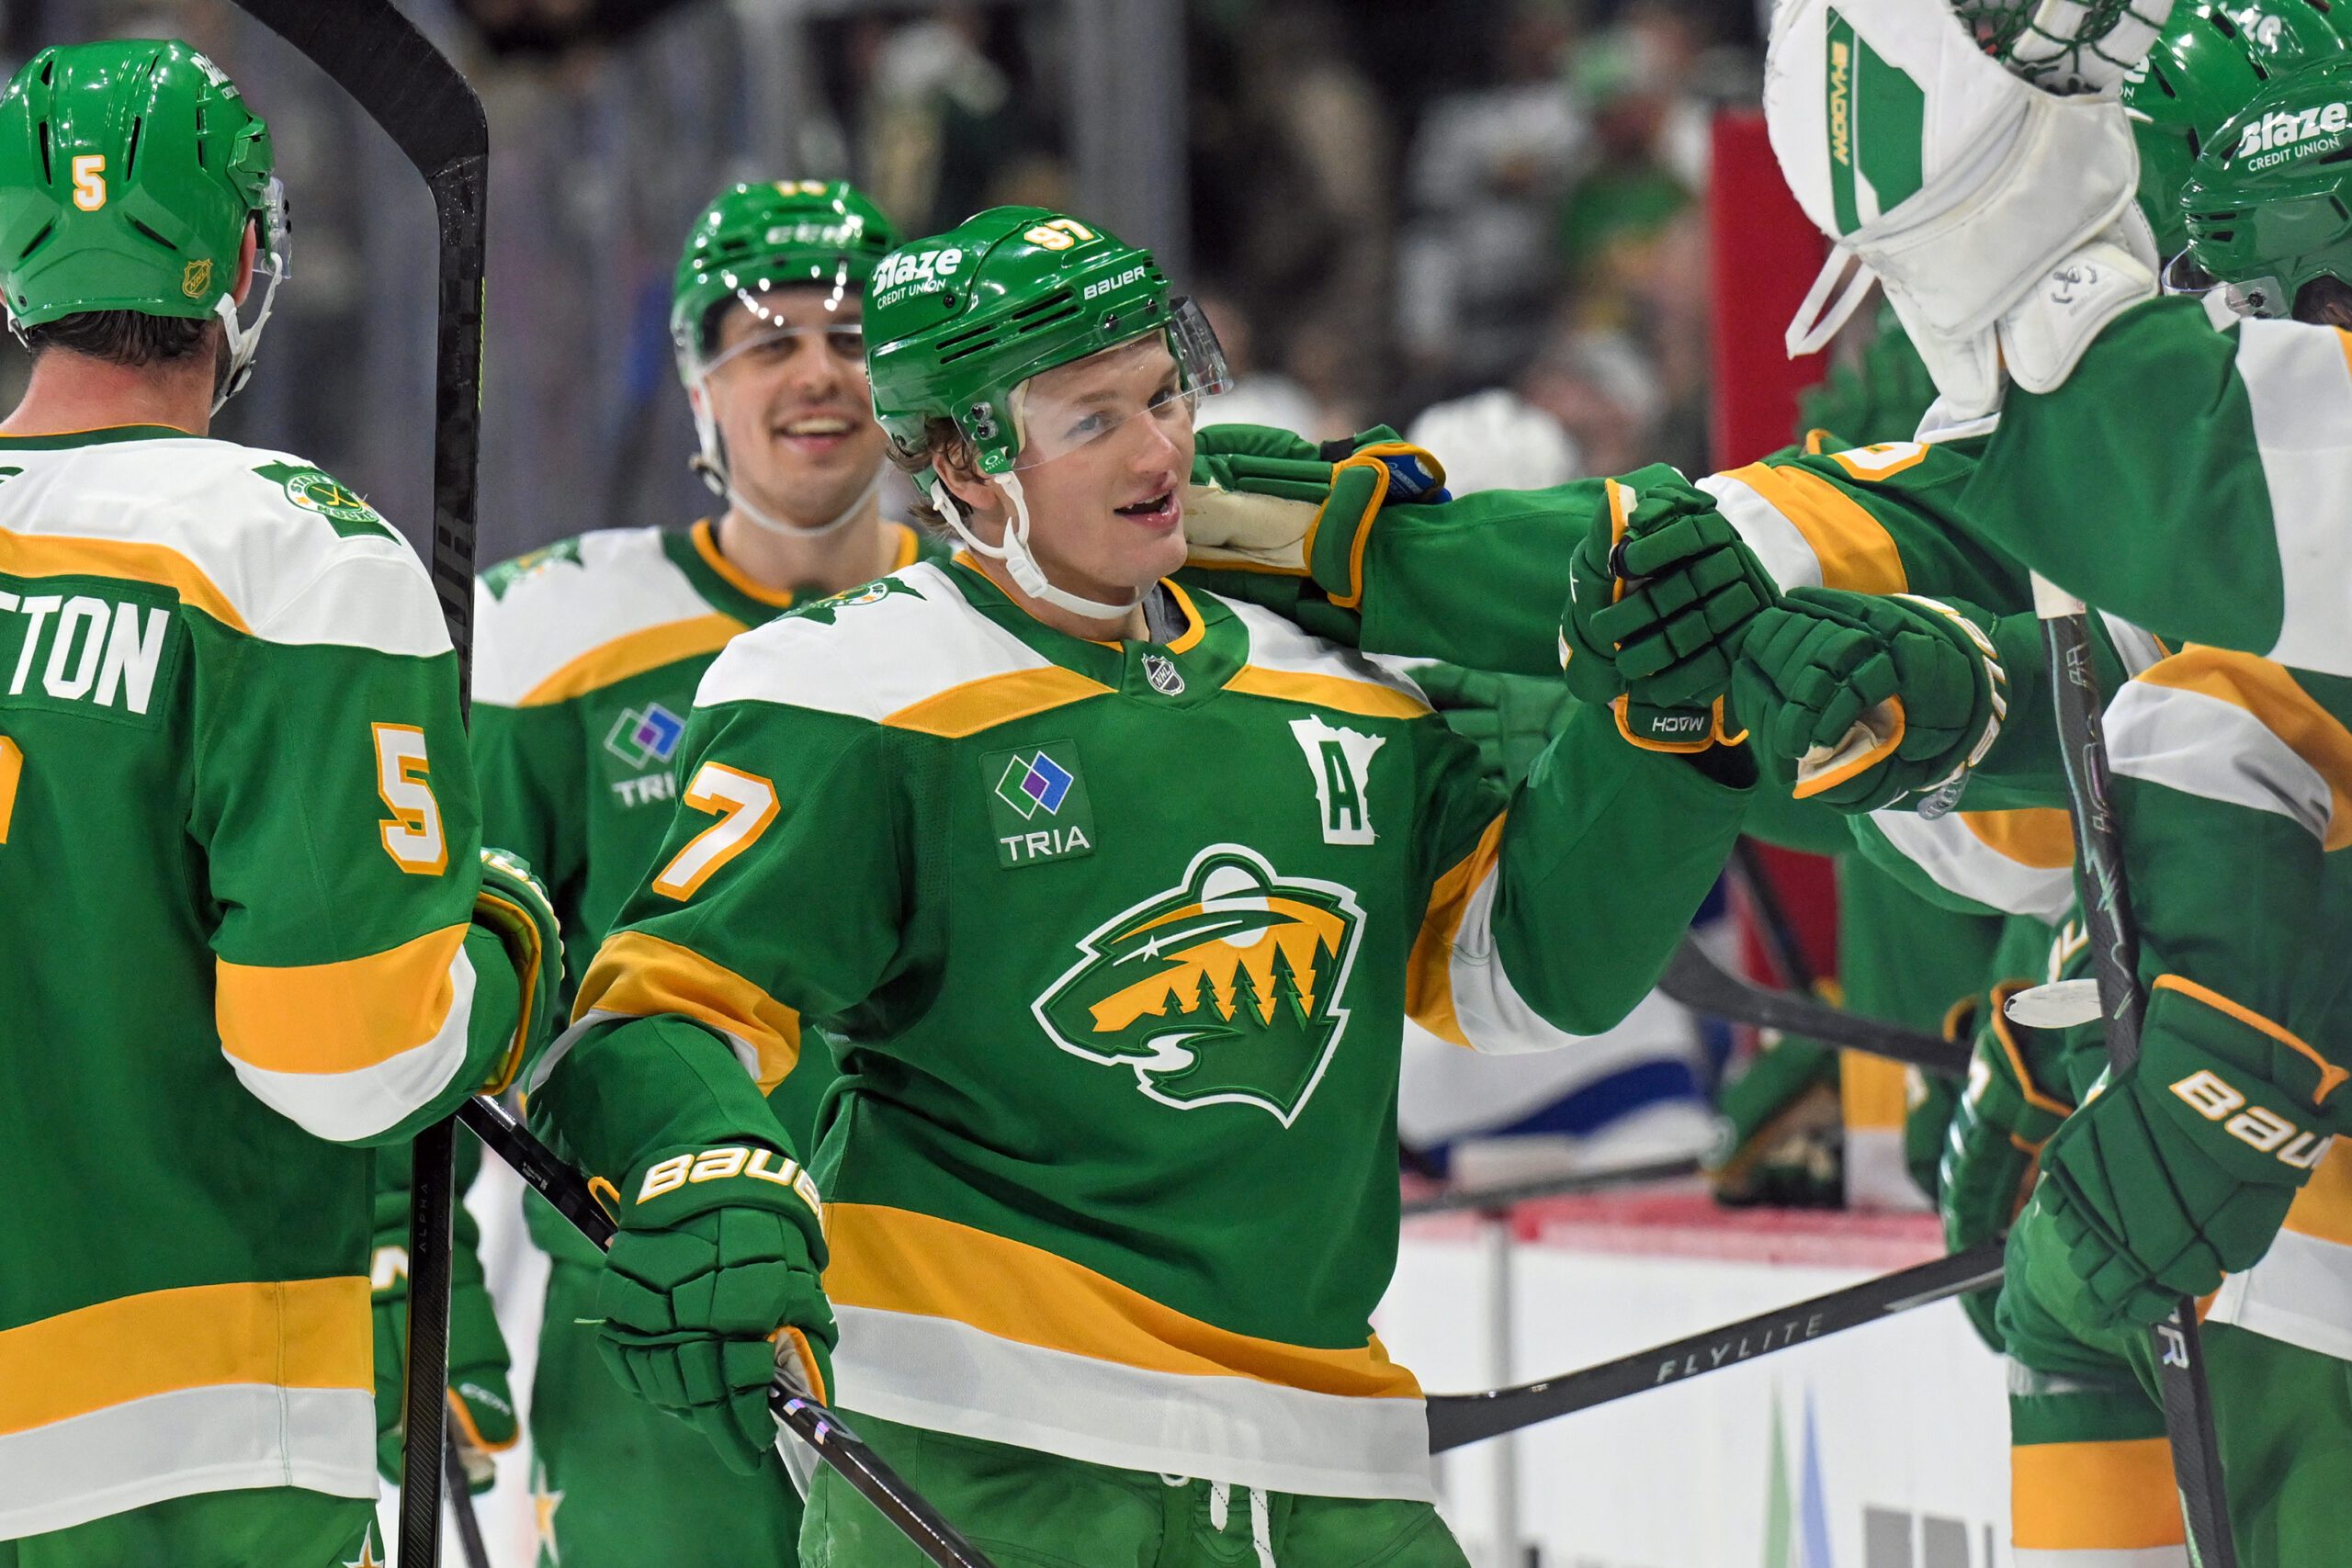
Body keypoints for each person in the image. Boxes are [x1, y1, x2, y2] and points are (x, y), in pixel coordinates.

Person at [519, 205, 1753, 1566]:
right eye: (1092, 420)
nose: (1164, 450)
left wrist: (1663, 741)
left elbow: (1530, 976)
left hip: (1329, 1459)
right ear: (960, 462)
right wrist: (710, 1163)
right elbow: (658, 1007)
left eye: (1164, 395)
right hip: (987, 1463)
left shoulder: (1330, 677)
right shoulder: (851, 689)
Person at [0, 39, 560, 1568]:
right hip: (168, 1453)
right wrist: (499, 948)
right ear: (244, 259)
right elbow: (347, 1060)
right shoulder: (286, 556)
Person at [463, 177, 943, 1568]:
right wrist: (402, 1254)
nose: (816, 370)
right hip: (654, 1313)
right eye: (767, 337)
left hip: (965, 1321)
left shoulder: (993, 622)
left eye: (853, 337)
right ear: (696, 388)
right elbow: (440, 963)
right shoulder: (556, 631)